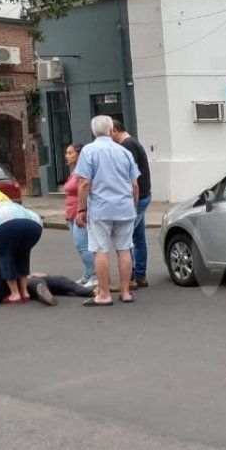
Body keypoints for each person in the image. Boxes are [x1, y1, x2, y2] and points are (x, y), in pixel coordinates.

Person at [76, 115, 141, 307]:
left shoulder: (89, 151)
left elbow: (84, 182)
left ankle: (104, 294)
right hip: (124, 207)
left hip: (101, 208)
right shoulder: (124, 152)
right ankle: (126, 292)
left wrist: (81, 208)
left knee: (100, 249)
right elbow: (135, 185)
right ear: (112, 129)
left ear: (93, 131)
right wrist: (134, 206)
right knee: (124, 249)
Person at [0, 200, 43, 304]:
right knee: (22, 256)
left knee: (5, 258)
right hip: (35, 225)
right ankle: (25, 292)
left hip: (7, 224)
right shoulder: (9, 204)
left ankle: (15, 294)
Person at [111, 119, 152, 289]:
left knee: (125, 238)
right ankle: (140, 275)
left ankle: (131, 278)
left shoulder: (127, 146)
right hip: (144, 194)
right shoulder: (133, 142)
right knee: (138, 237)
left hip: (137, 197)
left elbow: (131, 176)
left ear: (114, 130)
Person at [63, 143, 96, 288]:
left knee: (82, 246)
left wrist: (80, 212)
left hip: (79, 213)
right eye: (66, 153)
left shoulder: (82, 171)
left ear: (79, 154)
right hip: (71, 213)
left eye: (70, 153)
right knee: (82, 246)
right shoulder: (74, 171)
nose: (67, 156)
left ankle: (95, 276)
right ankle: (87, 275)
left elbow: (85, 189)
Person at [0, 263, 94, 306]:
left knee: (39, 283)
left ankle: (43, 291)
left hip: (27, 281)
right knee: (63, 283)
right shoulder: (5, 262)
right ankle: (92, 291)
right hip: (26, 281)